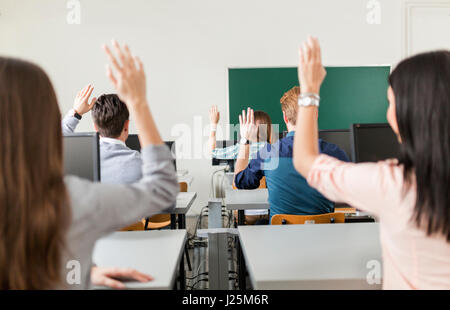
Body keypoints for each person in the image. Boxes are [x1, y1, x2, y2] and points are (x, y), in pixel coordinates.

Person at [0, 40, 179, 289]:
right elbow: (164, 191)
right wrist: (138, 102)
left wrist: (75, 113)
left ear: (94, 128)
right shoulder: (72, 199)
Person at [292, 36, 450, 289]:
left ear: (409, 112)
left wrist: (309, 91)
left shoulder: (391, 183)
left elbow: (306, 161)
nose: (388, 113)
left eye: (391, 103)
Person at [233, 88, 349, 223]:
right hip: (325, 239)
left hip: (280, 241)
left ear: (285, 117)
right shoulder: (334, 153)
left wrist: (245, 140)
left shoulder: (268, 154)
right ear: (315, 114)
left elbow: (239, 181)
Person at [62, 87, 144, 184]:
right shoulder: (144, 166)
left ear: (95, 127)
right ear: (126, 125)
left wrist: (76, 112)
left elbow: (54, 143)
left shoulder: (79, 160)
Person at [208, 105, 272, 224]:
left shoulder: (239, 149)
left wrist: (213, 124)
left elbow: (213, 152)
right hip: (271, 212)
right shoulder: (274, 150)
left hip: (244, 214)